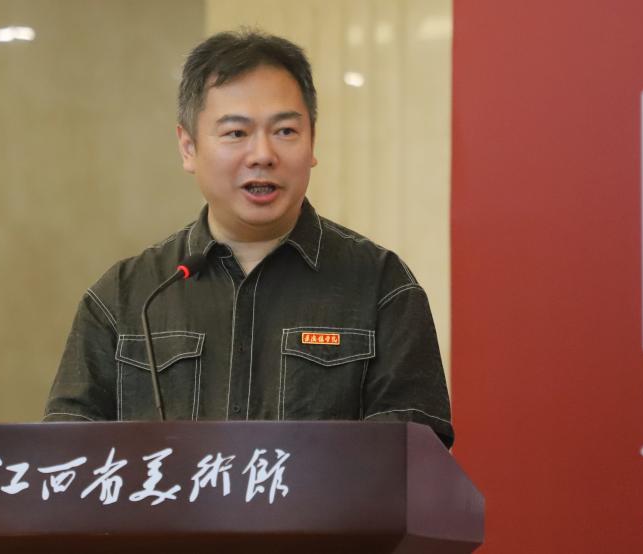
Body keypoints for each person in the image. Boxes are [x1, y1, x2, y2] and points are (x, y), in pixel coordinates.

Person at [44, 30, 453, 447]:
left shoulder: (381, 287)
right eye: (236, 133)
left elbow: (413, 462)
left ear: (312, 141)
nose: (262, 155)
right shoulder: (125, 297)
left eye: (285, 131)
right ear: (188, 147)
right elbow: (65, 459)